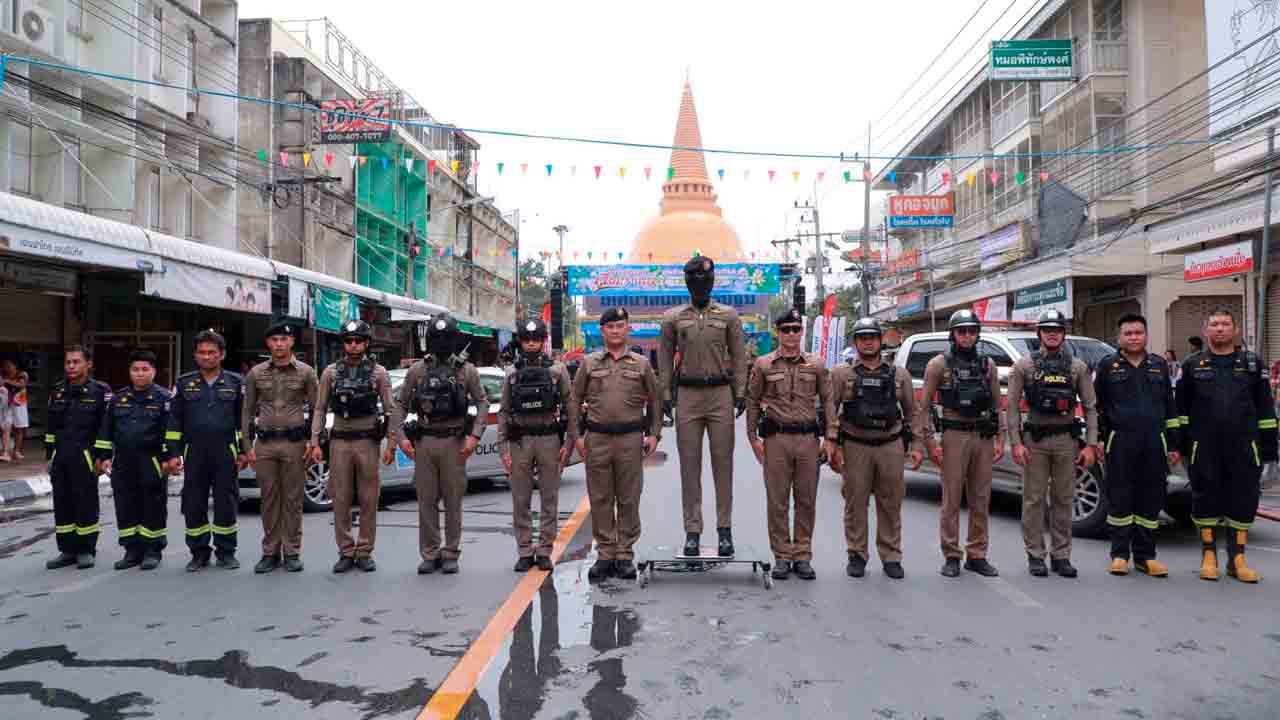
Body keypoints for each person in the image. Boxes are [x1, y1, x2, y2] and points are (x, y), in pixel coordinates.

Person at [1176, 308, 1278, 583]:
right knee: (1204, 499)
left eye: (1225, 324)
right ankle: (1209, 555)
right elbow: (1181, 411)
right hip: (1204, 446)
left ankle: (1237, 558)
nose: (1220, 328)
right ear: (1206, 331)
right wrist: (1183, 446)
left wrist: (1270, 450)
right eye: (1214, 324)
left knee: (1243, 500)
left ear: (1235, 330)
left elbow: (1266, 410)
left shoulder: (1253, 364)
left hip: (1245, 446)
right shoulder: (1191, 365)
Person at [658, 255, 748, 558]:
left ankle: (725, 530)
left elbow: (739, 357)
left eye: (706, 280)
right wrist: (665, 396)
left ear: (712, 282)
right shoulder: (673, 318)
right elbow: (665, 358)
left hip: (720, 394)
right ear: (687, 282)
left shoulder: (729, 316)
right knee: (689, 467)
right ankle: (692, 531)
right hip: (688, 395)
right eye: (695, 279)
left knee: (723, 465)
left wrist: (740, 391)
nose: (701, 284)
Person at [826, 317, 924, 580]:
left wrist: (916, 444)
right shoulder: (841, 374)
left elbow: (913, 414)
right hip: (855, 446)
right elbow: (829, 412)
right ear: (855, 342)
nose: (868, 341)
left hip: (890, 445)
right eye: (862, 337)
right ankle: (856, 554)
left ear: (881, 340)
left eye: (872, 336)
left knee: (891, 503)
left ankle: (891, 555)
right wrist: (832, 445)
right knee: (855, 503)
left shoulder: (899, 374)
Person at [391, 313, 488, 575]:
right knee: (426, 501)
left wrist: (474, 436)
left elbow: (482, 402)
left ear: (455, 340)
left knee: (453, 501)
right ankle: (430, 553)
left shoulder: (466, 371)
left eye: (447, 337)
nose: (442, 342)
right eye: (437, 337)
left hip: (455, 443)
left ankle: (451, 552)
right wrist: (400, 438)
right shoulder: (417, 370)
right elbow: (399, 405)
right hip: (424, 442)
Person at [1007, 309, 1098, 578]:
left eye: (1056, 329)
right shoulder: (1024, 366)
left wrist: (1091, 444)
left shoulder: (1077, 367)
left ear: (1063, 334)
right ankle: (1035, 554)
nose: (1052, 333)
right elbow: (1011, 408)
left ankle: (1061, 555)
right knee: (1033, 500)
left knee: (1063, 499)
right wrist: (1016, 443)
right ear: (1039, 334)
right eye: (1047, 329)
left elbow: (1091, 407)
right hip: (1034, 442)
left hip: (1066, 442)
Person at [573, 307, 662, 582]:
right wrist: (577, 435)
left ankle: (624, 555)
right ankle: (605, 555)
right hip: (597, 438)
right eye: (609, 326)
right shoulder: (589, 364)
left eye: (620, 326)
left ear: (628, 329)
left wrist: (654, 433)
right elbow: (574, 401)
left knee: (628, 498)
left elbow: (656, 400)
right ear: (602, 330)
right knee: (600, 499)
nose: (615, 330)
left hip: (629, 439)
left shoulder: (641, 364)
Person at [1094, 314, 1180, 577]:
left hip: (1154, 440)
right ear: (1119, 337)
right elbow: (1096, 407)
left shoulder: (1159, 365)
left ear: (1146, 335)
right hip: (1119, 440)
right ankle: (1119, 555)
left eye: (1138, 333)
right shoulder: (1108, 366)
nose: (1133, 337)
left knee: (1150, 498)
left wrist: (1173, 444)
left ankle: (1146, 556)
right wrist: (1097, 438)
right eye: (1128, 333)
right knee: (1120, 497)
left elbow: (1170, 406)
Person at [745, 308, 828, 581]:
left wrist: (831, 439)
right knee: (777, 500)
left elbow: (828, 403)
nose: (791, 334)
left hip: (807, 440)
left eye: (795, 329)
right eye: (786, 329)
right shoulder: (764, 364)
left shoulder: (816, 364)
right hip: (776, 439)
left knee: (806, 500)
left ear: (801, 332)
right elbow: (753, 401)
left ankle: (802, 555)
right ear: (778, 333)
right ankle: (782, 555)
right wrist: (753, 438)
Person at [920, 310, 1004, 578]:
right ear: (953, 334)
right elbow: (924, 408)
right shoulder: (938, 365)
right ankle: (952, 554)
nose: (967, 336)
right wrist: (931, 443)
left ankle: (977, 554)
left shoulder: (988, 365)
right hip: (953, 436)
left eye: (971, 331)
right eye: (962, 331)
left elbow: (995, 404)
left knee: (981, 498)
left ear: (977, 334)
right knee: (952, 499)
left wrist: (1000, 438)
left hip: (982, 436)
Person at [311, 320, 397, 574]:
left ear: (367, 343)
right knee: (340, 498)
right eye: (349, 341)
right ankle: (346, 551)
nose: (353, 345)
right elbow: (319, 408)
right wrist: (315, 441)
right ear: (343, 344)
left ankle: (365, 550)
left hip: (367, 443)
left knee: (370, 498)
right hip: (339, 443)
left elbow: (391, 410)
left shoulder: (378, 373)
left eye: (358, 340)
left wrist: (391, 444)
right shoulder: (330, 373)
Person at [498, 318, 578, 572]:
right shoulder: (511, 373)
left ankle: (544, 550)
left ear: (543, 341)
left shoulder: (558, 370)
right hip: (520, 441)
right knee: (520, 498)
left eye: (536, 339)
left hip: (549, 440)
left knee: (549, 498)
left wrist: (570, 442)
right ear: (520, 342)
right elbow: (504, 412)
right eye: (526, 339)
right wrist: (503, 448)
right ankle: (524, 550)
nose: (531, 344)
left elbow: (570, 406)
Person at [165, 330, 246, 571]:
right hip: (194, 451)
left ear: (222, 355)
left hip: (224, 450)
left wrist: (243, 451)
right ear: (195, 355)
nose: (206, 356)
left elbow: (242, 422)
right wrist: (172, 453)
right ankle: (199, 552)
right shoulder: (183, 383)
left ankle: (226, 551)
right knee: (194, 501)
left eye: (212, 352)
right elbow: (174, 422)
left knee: (226, 500)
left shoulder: (236, 383)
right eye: (202, 352)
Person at [243, 322, 319, 574]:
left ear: (291, 343)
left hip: (294, 444)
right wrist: (246, 445)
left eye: (283, 340)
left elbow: (317, 409)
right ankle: (270, 552)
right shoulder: (256, 373)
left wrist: (314, 441)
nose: (279, 344)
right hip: (264, 445)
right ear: (268, 344)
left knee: (293, 499)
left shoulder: (306, 372)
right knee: (269, 499)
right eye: (274, 340)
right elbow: (246, 411)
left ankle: (292, 551)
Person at [94, 350, 172, 571]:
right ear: (129, 372)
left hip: (152, 460)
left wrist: (169, 458)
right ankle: (131, 550)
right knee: (126, 504)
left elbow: (171, 432)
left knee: (152, 504)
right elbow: (106, 430)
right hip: (124, 461)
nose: (140, 374)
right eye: (135, 369)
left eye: (145, 369)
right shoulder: (119, 399)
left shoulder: (164, 399)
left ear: (154, 372)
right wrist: (103, 457)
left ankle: (152, 550)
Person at [44, 346, 111, 570]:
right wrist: (49, 455)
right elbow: (51, 427)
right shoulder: (57, 391)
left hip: (85, 455)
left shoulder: (100, 391)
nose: (71, 366)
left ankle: (86, 549)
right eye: (68, 362)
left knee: (85, 502)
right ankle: (67, 550)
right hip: (61, 455)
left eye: (76, 362)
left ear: (88, 364)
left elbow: (105, 427)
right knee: (62, 502)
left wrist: (102, 457)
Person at [2, 359, 29, 460]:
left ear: (15, 365)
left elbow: (21, 385)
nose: (7, 367)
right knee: (7, 428)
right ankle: (6, 452)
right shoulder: (4, 375)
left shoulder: (22, 374)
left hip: (20, 405)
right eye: (5, 365)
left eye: (9, 364)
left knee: (19, 428)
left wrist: (7, 381)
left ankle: (16, 451)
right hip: (8, 405)